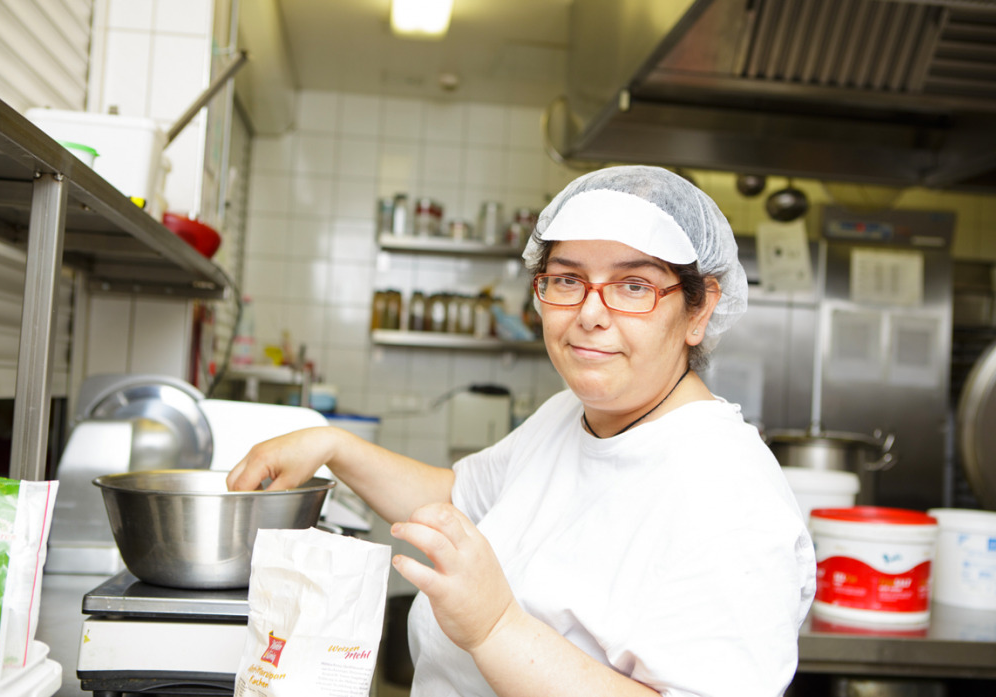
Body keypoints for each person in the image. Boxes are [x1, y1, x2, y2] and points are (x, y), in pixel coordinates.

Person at [227, 165, 816, 697]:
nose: (589, 312)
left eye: (634, 286)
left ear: (699, 309)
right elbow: (458, 501)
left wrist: (494, 627)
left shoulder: (730, 497)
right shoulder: (567, 415)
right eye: (566, 280)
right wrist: (333, 445)